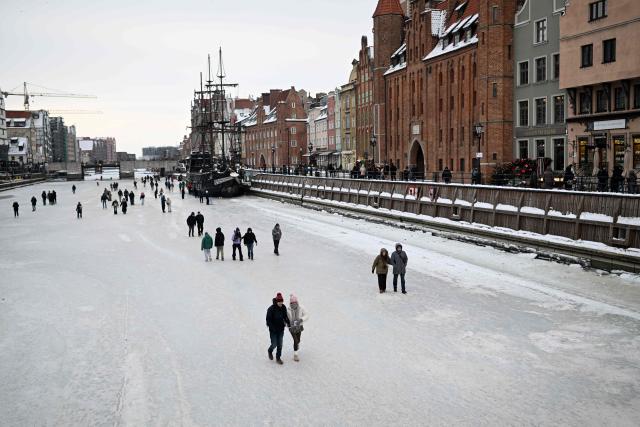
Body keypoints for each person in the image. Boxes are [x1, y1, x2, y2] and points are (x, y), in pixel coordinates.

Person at [266, 293, 290, 365]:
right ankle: (270, 351)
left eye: (282, 301)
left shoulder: (283, 307)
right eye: (279, 302)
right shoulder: (271, 309)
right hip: (273, 330)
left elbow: (285, 316)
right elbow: (268, 320)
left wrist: (288, 322)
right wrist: (272, 328)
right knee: (274, 344)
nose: (281, 303)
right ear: (276, 301)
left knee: (280, 344)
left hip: (281, 329)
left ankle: (278, 358)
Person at [287, 294, 309, 362]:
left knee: (298, 340)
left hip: (299, 326)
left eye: (295, 303)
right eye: (292, 303)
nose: (294, 304)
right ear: (290, 303)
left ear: (297, 302)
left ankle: (296, 345)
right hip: (292, 327)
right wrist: (288, 324)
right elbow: (284, 319)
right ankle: (295, 355)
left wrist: (301, 320)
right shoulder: (287, 310)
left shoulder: (301, 308)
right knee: (295, 340)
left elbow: (307, 315)